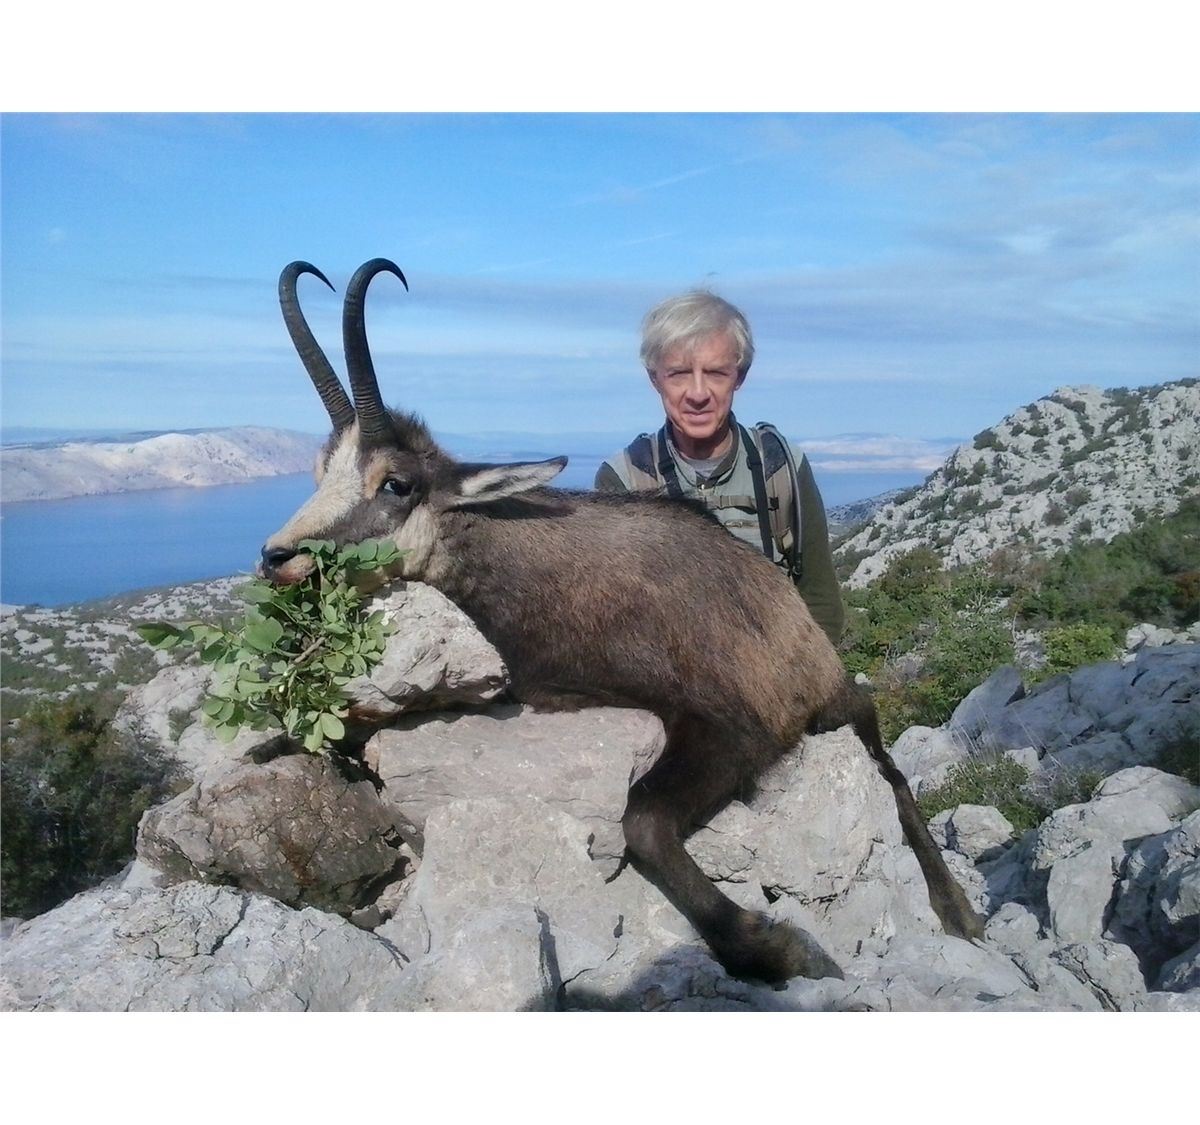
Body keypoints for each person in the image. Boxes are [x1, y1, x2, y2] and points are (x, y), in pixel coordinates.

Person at [595, 290, 846, 644]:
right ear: (655, 379)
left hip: (777, 668)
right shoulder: (625, 480)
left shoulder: (780, 468)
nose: (698, 394)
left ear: (739, 376)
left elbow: (820, 600)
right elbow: (612, 622)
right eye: (679, 374)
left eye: (715, 373)